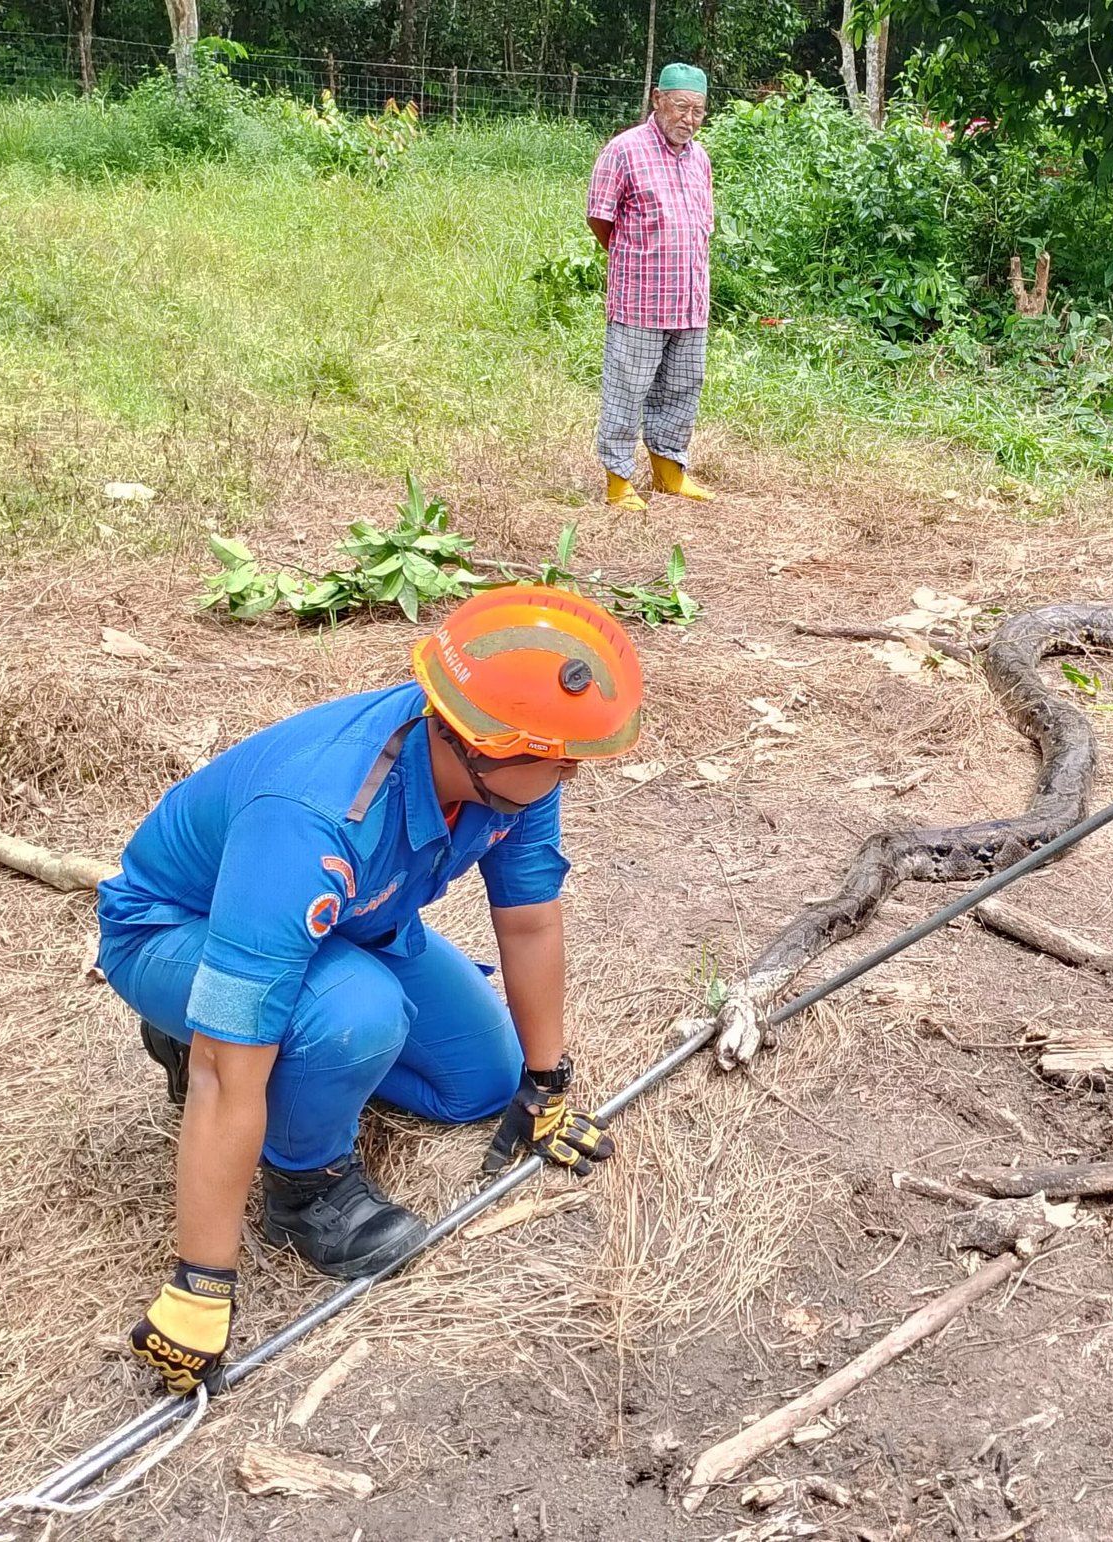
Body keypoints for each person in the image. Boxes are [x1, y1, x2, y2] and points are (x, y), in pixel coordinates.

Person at [98, 586, 643, 1394]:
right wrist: (199, 1287)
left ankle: (270, 1045)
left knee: (478, 1085)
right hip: (179, 930)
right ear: (480, 741)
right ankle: (304, 1188)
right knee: (354, 1017)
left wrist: (546, 1083)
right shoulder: (313, 819)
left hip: (351, 924)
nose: (570, 770)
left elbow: (528, 922)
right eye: (560, 756)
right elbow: (225, 1070)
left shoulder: (514, 774)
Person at [588, 63, 718, 514]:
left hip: (689, 301)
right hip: (640, 299)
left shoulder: (700, 158)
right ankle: (619, 482)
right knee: (628, 389)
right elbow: (600, 219)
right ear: (656, 99)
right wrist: (638, 259)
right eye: (681, 106)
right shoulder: (624, 150)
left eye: (698, 110)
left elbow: (703, 226)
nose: (689, 118)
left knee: (683, 388)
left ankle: (669, 474)